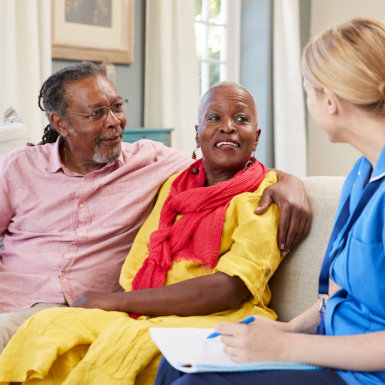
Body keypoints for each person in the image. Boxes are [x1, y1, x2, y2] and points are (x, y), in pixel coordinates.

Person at [0, 62, 311, 351]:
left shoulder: (151, 162)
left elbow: (226, 161)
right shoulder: (17, 167)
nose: (114, 122)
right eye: (97, 113)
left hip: (83, 312)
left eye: (117, 107)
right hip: (11, 301)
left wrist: (289, 180)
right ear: (61, 123)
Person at [154, 17, 385, 385]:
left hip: (363, 374)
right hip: (327, 347)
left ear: (330, 100)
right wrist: (289, 329)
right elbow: (341, 292)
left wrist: (288, 348)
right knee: (175, 365)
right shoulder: (362, 174)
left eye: (307, 91)